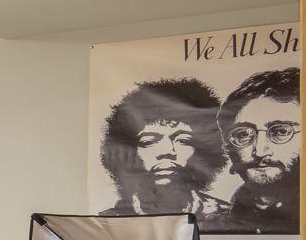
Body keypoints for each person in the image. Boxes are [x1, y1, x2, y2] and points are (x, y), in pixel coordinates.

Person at [97, 78, 226, 219]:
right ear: (127, 152)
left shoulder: (227, 216)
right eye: (149, 141)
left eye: (183, 140)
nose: (167, 152)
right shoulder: (110, 221)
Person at [206, 68, 299, 234]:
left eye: (281, 132)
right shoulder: (213, 224)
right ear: (228, 146)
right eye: (243, 134)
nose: (260, 151)